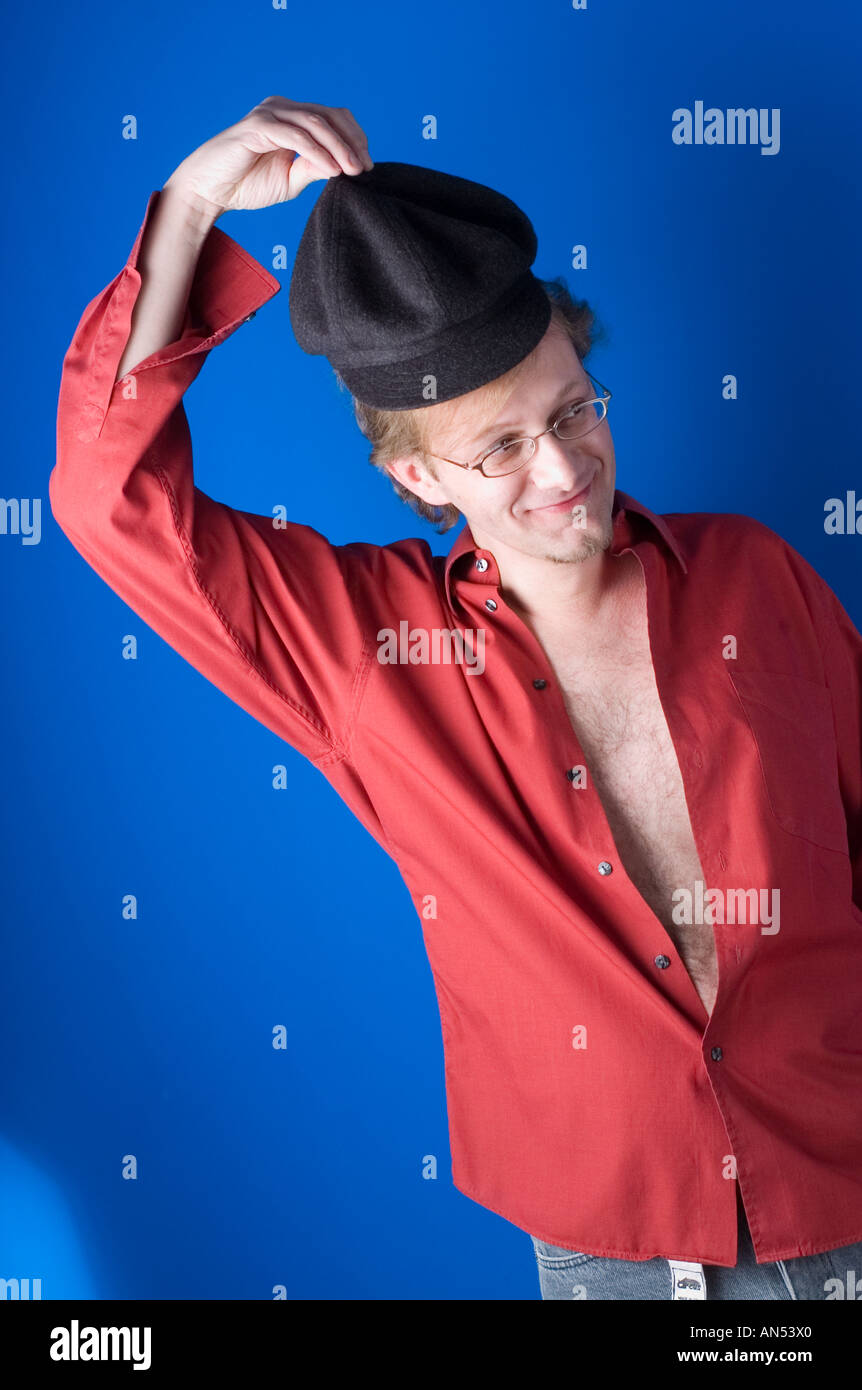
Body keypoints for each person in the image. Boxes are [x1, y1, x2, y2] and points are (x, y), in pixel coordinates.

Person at [51, 96, 862, 1300]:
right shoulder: (359, 652)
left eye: (574, 407)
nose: (565, 467)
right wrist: (187, 211)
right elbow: (108, 497)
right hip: (613, 1243)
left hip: (838, 1185)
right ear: (414, 472)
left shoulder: (760, 577)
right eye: (500, 448)